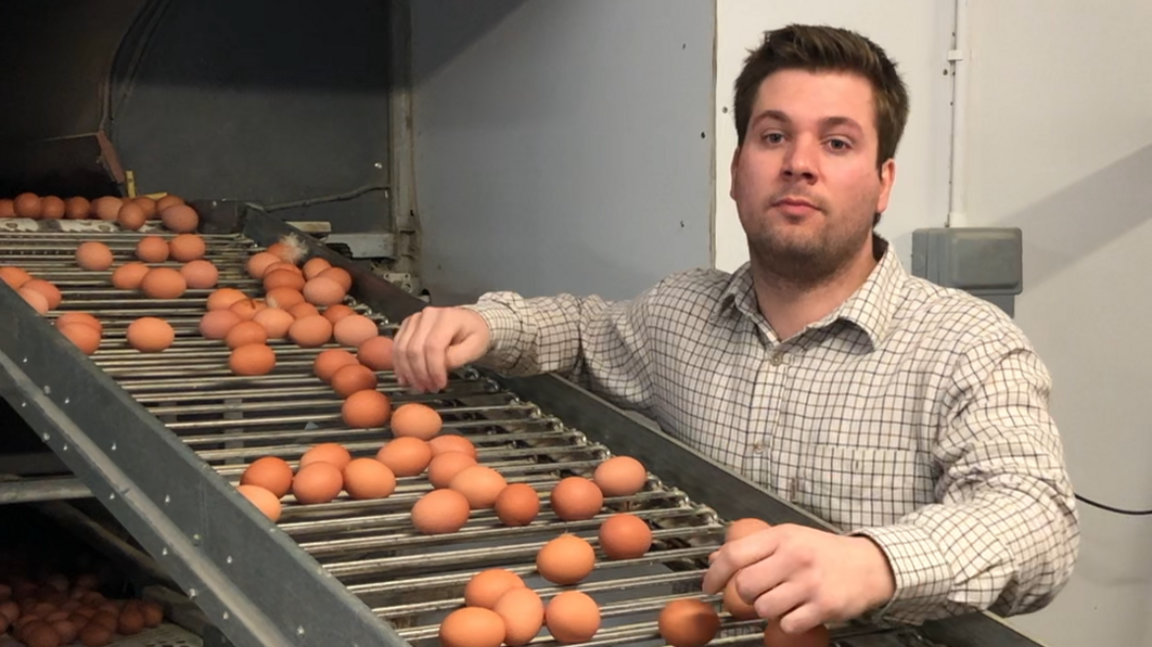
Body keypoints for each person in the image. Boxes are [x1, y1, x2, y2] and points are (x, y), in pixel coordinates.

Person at [391, 24, 1079, 635]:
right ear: (737, 171)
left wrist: (874, 562)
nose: (799, 162)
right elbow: (580, 329)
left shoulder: (968, 347)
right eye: (773, 135)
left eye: (837, 142)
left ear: (883, 183)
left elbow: (1037, 520)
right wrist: (485, 321)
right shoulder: (682, 311)